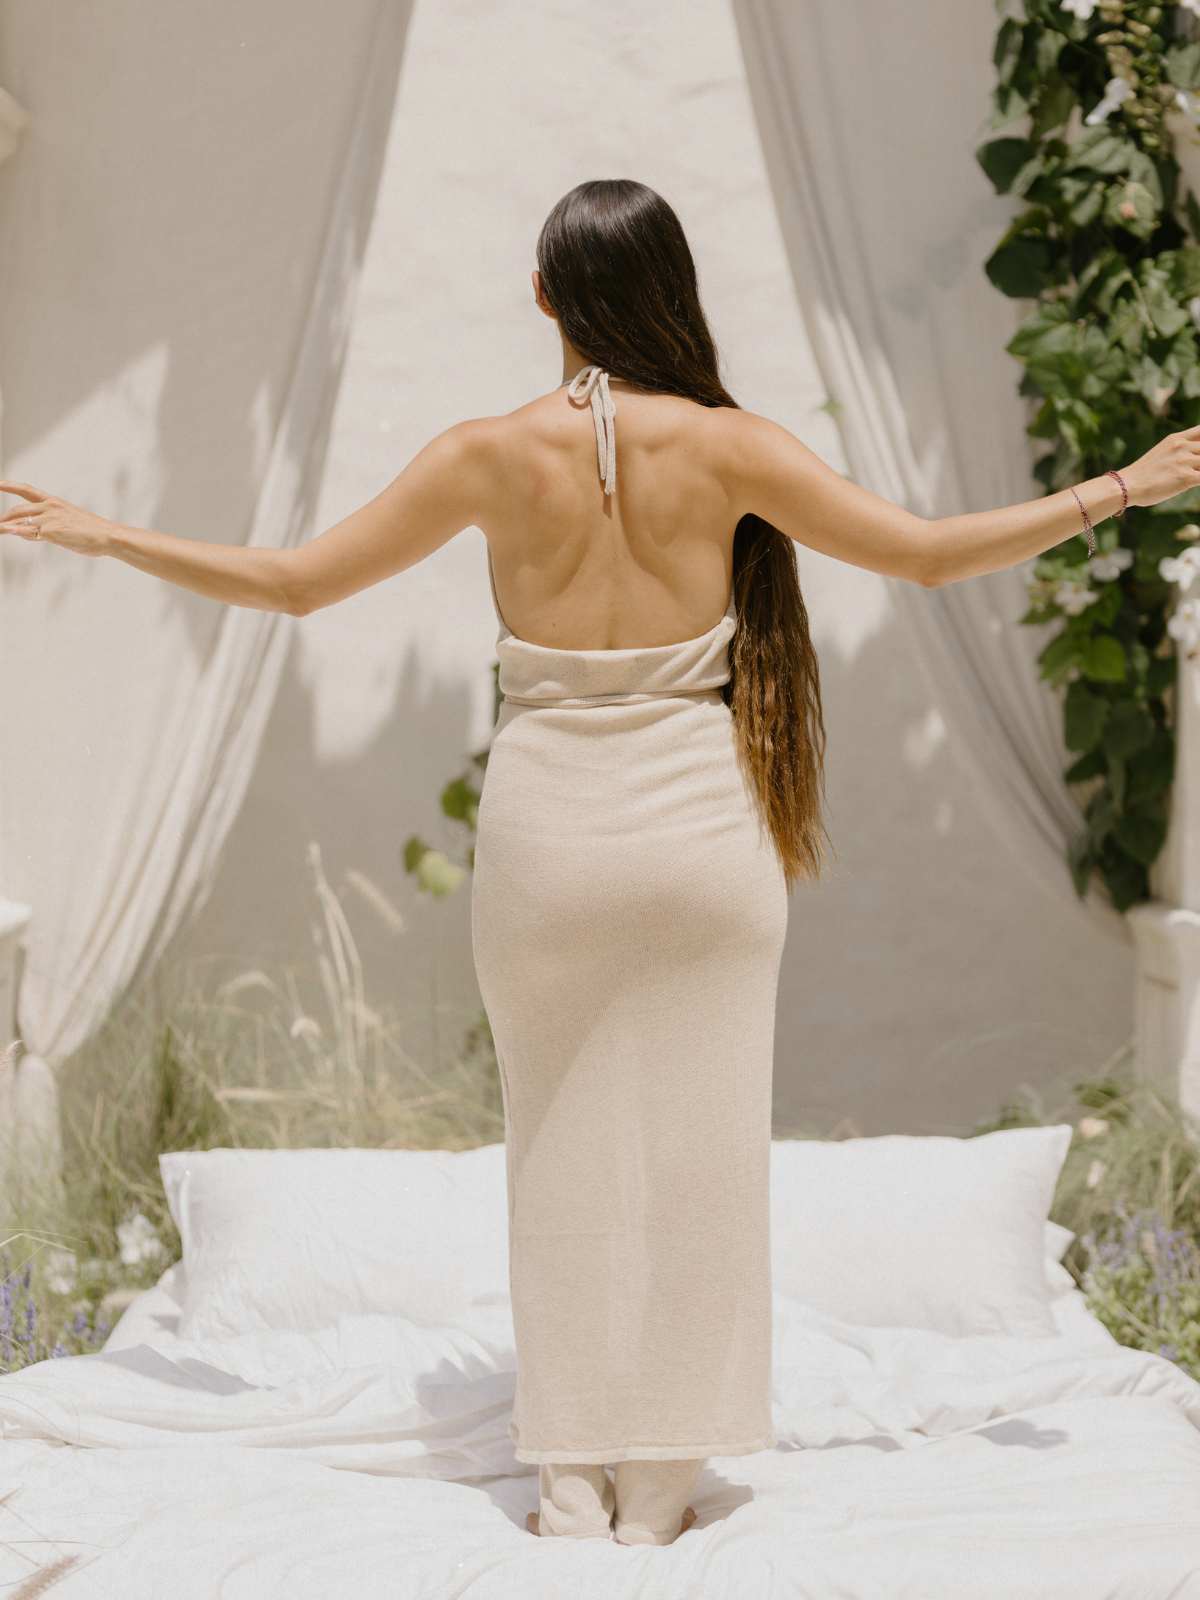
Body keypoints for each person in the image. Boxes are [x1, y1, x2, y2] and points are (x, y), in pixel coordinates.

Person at [2, 176, 1198, 1547]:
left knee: (558, 1147)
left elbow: (295, 584)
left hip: (548, 839)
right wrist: (1126, 484)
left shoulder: (483, 454)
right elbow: (925, 559)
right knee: (698, 1157)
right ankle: (664, 1478)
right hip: (700, 842)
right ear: (670, 290)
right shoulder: (729, 445)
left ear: (542, 296)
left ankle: (571, 1472)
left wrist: (102, 530)